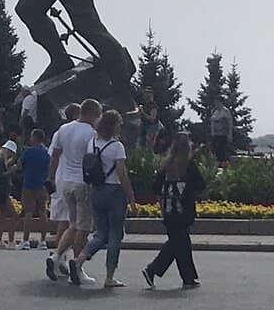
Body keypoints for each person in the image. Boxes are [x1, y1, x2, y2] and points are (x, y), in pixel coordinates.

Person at [68, 110, 137, 288]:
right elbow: (121, 173)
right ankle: (109, 276)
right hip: (114, 191)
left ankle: (78, 260)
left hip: (96, 191)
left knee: (100, 234)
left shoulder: (92, 143)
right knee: (115, 235)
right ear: (114, 126)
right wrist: (130, 195)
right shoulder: (116, 147)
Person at [45, 98, 101, 284]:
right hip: (82, 183)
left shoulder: (64, 129)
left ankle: (56, 257)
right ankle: (77, 267)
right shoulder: (92, 134)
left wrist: (51, 178)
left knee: (72, 224)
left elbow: (55, 155)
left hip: (65, 182)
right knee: (83, 228)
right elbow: (92, 161)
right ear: (92, 114)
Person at [142, 132, 206, 290]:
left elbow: (155, 188)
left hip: (169, 210)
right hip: (184, 211)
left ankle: (188, 278)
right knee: (179, 243)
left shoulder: (166, 165)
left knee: (179, 243)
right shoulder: (189, 165)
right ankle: (153, 269)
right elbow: (200, 185)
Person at [47, 102, 81, 260]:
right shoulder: (71, 131)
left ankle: (59, 255)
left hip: (61, 179)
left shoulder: (60, 131)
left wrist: (51, 177)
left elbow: (53, 155)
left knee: (64, 220)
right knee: (72, 222)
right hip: (71, 179)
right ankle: (60, 256)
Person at [19, 129, 50, 250]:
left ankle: (25, 240)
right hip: (42, 185)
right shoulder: (47, 152)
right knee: (43, 213)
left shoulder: (28, 151)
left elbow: (21, 165)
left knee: (28, 213)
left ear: (35, 138)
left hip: (29, 184)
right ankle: (43, 241)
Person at [210, 97, 233, 166]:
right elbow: (212, 122)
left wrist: (230, 134)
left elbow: (230, 123)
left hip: (223, 134)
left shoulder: (225, 111)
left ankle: (223, 164)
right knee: (215, 150)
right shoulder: (214, 111)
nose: (216, 104)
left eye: (217, 102)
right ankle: (217, 163)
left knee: (222, 150)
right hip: (215, 134)